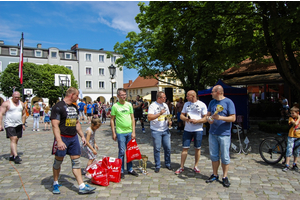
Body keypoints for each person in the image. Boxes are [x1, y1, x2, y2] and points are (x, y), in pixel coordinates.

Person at [50, 87, 96, 194]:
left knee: (76, 161)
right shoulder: (58, 107)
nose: (78, 97)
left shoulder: (74, 107)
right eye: (77, 95)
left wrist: (82, 136)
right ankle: (55, 183)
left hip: (73, 138)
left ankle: (81, 186)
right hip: (62, 137)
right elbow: (55, 125)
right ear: (72, 95)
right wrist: (59, 141)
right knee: (58, 162)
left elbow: (77, 123)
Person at [206, 85, 236, 187]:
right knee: (214, 155)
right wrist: (209, 119)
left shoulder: (228, 102)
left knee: (225, 156)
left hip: (224, 134)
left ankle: (225, 176)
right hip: (213, 133)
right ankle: (215, 174)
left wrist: (220, 118)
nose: (211, 93)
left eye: (212, 91)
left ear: (218, 92)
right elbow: (208, 115)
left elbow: (233, 118)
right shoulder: (212, 102)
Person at [175, 90, 207, 175]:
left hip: (198, 130)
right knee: (185, 148)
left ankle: (196, 166)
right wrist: (186, 119)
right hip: (187, 129)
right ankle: (181, 166)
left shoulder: (202, 104)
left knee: (197, 148)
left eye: (187, 96)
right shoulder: (186, 104)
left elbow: (205, 118)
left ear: (193, 96)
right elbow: (181, 115)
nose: (186, 97)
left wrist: (198, 121)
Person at [110, 88, 139, 179]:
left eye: (125, 94)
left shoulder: (129, 105)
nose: (124, 96)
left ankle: (130, 169)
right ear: (118, 96)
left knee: (130, 151)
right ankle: (121, 170)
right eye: (122, 95)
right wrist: (113, 132)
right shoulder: (115, 106)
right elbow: (112, 119)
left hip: (129, 131)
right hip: (120, 132)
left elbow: (132, 118)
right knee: (122, 151)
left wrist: (133, 131)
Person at [147, 91, 172, 173]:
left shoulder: (165, 105)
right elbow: (149, 117)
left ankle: (167, 163)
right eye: (164, 97)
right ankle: (157, 165)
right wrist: (160, 113)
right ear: (159, 98)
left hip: (165, 129)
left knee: (167, 148)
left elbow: (168, 115)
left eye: (165, 97)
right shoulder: (153, 106)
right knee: (157, 149)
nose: (165, 98)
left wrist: (169, 120)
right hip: (156, 130)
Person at [0, 91, 26, 164]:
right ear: (12, 96)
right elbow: (1, 114)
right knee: (13, 139)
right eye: (15, 97)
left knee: (16, 140)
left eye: (18, 97)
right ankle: (16, 156)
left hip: (18, 124)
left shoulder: (21, 104)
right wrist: (0, 124)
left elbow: (24, 114)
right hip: (9, 124)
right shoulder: (6, 103)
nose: (17, 98)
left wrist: (23, 123)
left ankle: (11, 155)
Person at [282, 106, 300, 172]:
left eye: (293, 113)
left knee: (297, 151)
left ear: (297, 113)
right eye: (291, 113)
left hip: (298, 136)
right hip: (291, 136)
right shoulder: (291, 118)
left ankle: (294, 164)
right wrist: (299, 118)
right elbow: (295, 124)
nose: (292, 114)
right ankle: (287, 164)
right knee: (289, 150)